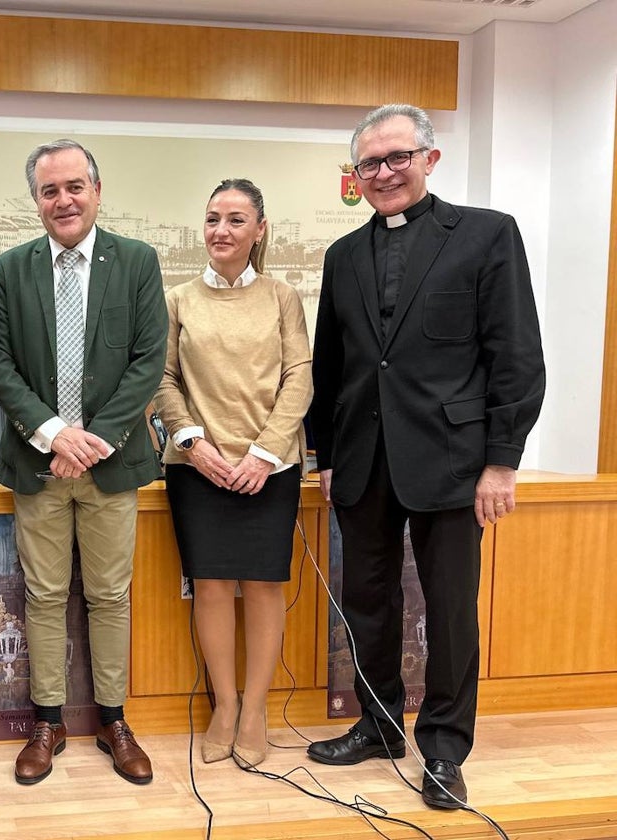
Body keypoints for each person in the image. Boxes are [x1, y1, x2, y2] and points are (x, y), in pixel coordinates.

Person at [308, 104, 545, 809]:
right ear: (355, 177)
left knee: (448, 612)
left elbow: (517, 355)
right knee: (368, 605)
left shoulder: (486, 235)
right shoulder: (342, 255)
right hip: (361, 462)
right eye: (369, 164)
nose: (383, 173)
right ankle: (379, 728)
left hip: (452, 462)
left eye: (396, 158)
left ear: (429, 159)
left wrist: (502, 460)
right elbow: (334, 363)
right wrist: (324, 452)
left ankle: (444, 747)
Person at [0, 139, 168, 786]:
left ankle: (114, 720)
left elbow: (148, 360)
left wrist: (94, 440)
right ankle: (47, 721)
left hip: (110, 465)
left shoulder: (138, 262)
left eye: (73, 187)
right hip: (39, 463)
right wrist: (56, 434)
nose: (63, 199)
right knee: (41, 594)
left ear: (96, 190)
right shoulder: (10, 268)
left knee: (110, 595)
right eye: (49, 190)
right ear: (36, 200)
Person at [153, 179, 311, 769]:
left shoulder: (282, 297)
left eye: (237, 220)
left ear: (260, 229)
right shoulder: (178, 300)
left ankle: (256, 710)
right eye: (213, 218)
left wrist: (264, 454)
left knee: (264, 586)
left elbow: (301, 378)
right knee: (213, 586)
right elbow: (161, 381)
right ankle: (224, 705)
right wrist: (194, 445)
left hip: (269, 469)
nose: (222, 230)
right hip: (199, 469)